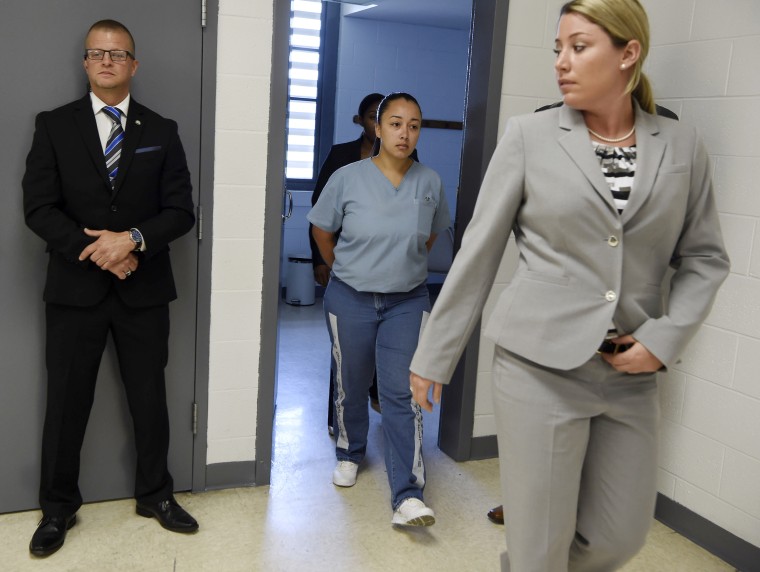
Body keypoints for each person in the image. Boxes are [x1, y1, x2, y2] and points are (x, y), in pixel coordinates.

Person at [409, 0, 729, 569]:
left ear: (628, 53)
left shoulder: (683, 147)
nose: (562, 61)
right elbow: (478, 251)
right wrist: (434, 354)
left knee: (621, 536)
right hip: (538, 368)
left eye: (578, 47)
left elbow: (704, 258)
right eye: (558, 48)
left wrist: (664, 338)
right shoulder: (530, 135)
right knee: (540, 546)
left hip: (629, 372)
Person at [23, 19, 198, 557]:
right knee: (66, 402)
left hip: (143, 292)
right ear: (84, 62)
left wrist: (134, 241)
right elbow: (38, 208)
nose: (106, 61)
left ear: (133, 64)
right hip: (75, 290)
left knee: (150, 398)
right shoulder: (53, 125)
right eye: (97, 53)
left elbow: (180, 212)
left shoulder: (162, 130)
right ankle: (57, 508)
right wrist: (100, 250)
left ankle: (156, 495)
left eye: (118, 54)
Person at [484, 98, 681, 529]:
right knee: (540, 457)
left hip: (624, 340)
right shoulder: (539, 127)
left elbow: (683, 248)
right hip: (548, 334)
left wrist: (662, 335)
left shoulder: (666, 134)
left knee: (608, 478)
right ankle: (527, 509)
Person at [308, 92, 450, 526]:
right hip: (350, 296)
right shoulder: (348, 177)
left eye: (413, 125)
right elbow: (321, 230)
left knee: (402, 393)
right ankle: (350, 453)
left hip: (407, 301)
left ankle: (407, 495)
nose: (404, 133)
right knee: (352, 381)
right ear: (378, 127)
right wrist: (343, 271)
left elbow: (428, 238)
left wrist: (396, 267)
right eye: (395, 123)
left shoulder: (430, 182)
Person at [310, 93, 421, 432]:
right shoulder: (342, 156)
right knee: (346, 356)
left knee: (387, 351)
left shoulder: (410, 158)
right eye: (375, 116)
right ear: (363, 121)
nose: (401, 131)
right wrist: (326, 262)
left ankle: (379, 400)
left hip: (393, 277)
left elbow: (422, 219)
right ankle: (339, 421)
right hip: (346, 261)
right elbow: (319, 213)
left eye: (409, 126)